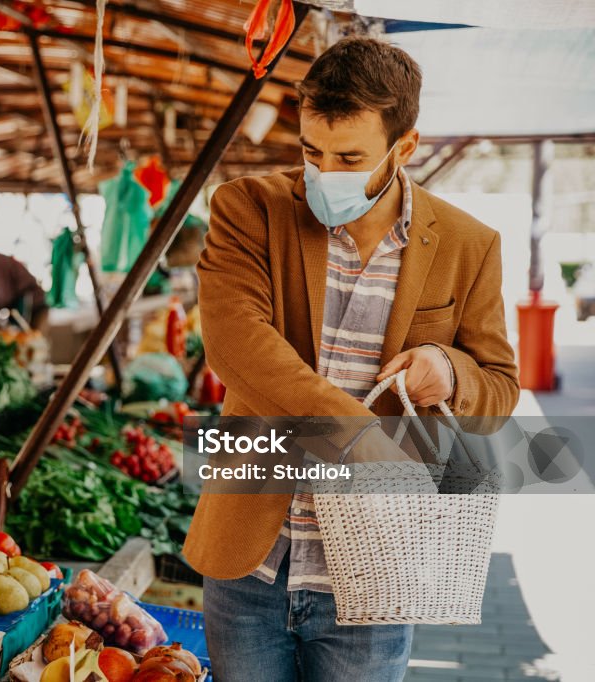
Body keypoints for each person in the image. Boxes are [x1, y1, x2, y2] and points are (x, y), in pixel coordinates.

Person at [183, 38, 519, 681]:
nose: (324, 174)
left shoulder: (467, 245)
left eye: (350, 157)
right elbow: (237, 346)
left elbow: (499, 389)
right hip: (252, 557)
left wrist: (448, 370)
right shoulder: (249, 209)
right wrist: (358, 433)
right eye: (311, 152)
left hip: (380, 570)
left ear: (406, 147)